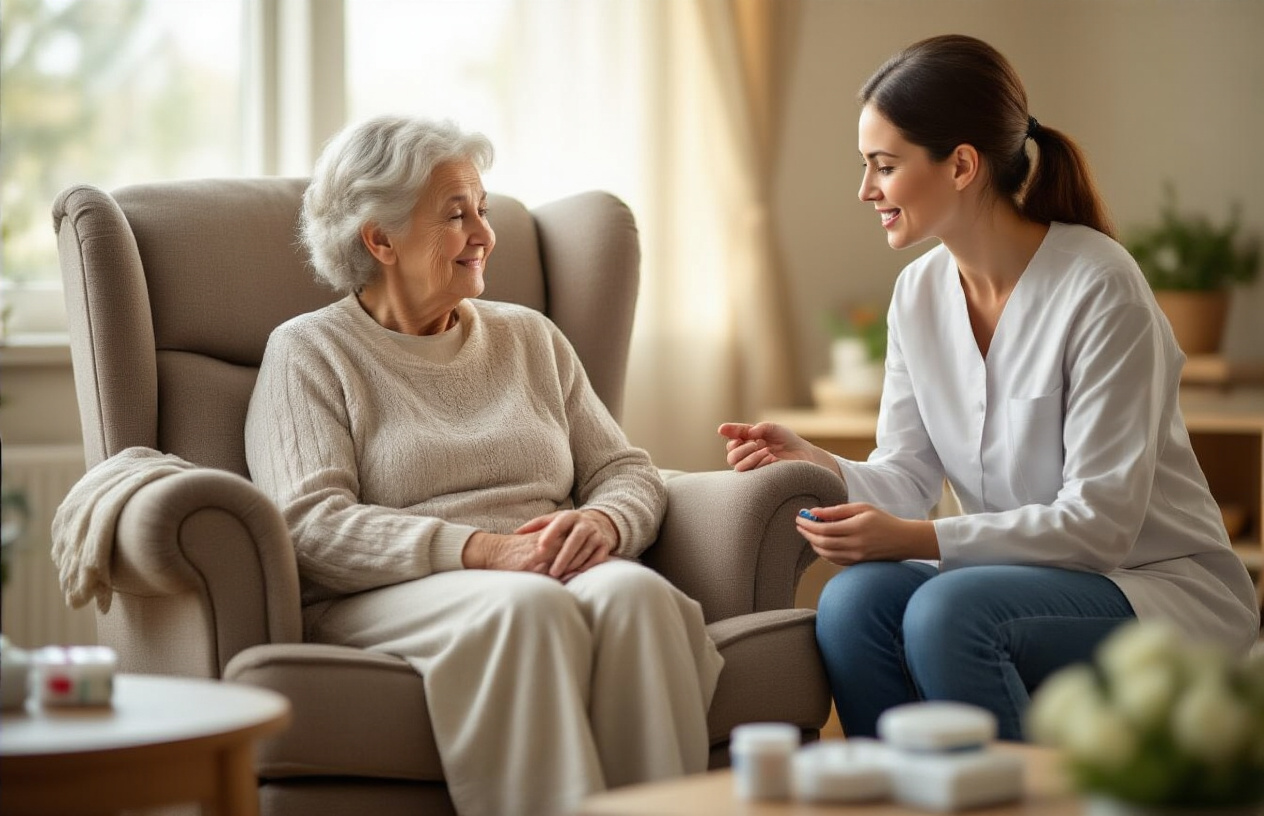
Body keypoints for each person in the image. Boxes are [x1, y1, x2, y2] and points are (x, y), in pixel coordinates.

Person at [718, 34, 1259, 741]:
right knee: (853, 603)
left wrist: (918, 538)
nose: (866, 190)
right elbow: (908, 476)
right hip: (1009, 578)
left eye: (884, 166)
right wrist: (815, 461)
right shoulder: (918, 293)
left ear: (962, 165)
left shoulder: (1100, 286)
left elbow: (1100, 526)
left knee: (949, 612)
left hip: (1152, 585)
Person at [245, 115, 723, 816]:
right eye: (456, 214)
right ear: (379, 239)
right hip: (393, 592)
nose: (484, 235)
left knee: (637, 596)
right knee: (526, 607)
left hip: (542, 568)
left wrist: (604, 522)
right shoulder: (310, 352)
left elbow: (626, 469)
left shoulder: (530, 336)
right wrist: (481, 549)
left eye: (483, 210)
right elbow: (309, 528)